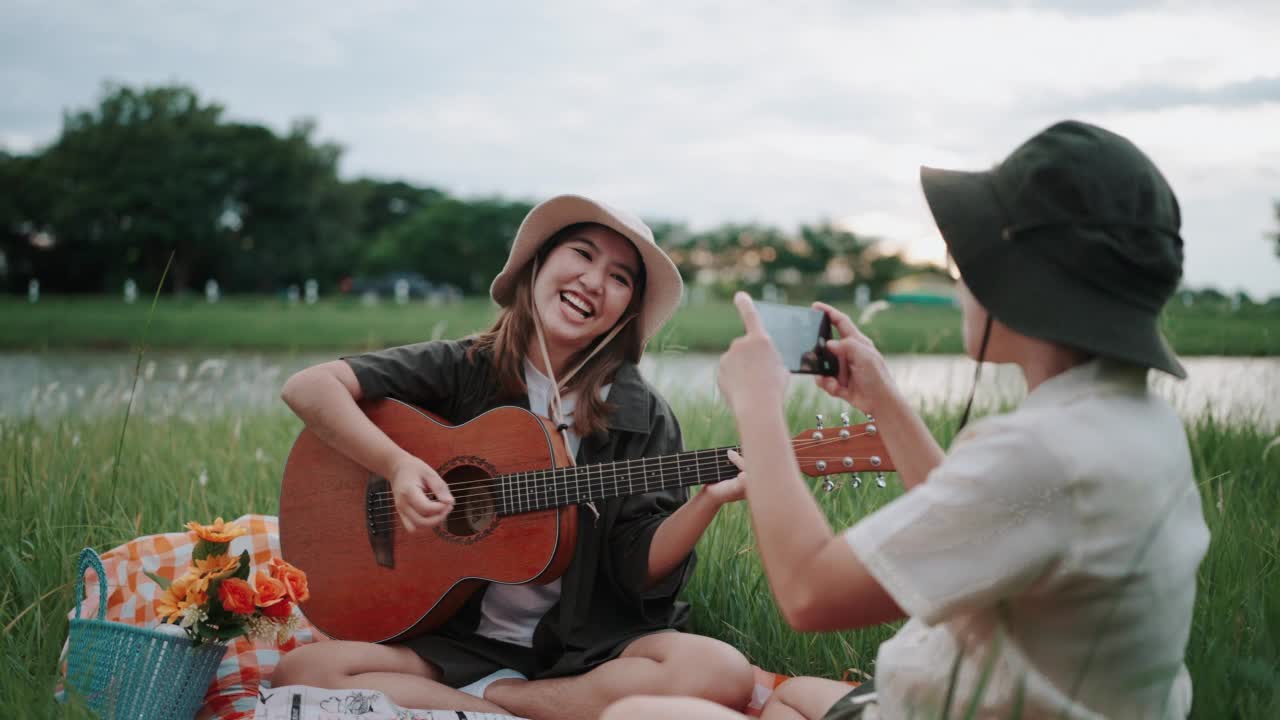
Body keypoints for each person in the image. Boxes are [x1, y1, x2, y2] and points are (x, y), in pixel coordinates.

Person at [603, 120, 1210, 720]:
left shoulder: (1047, 449)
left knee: (630, 716)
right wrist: (885, 401)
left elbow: (809, 593)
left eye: (964, 261)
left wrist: (759, 408)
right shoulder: (1138, 425)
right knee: (783, 696)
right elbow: (981, 515)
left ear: (1016, 280)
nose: (960, 281)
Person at [272, 195, 754, 720]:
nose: (593, 281)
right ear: (537, 265)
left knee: (720, 671)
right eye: (581, 254)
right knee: (304, 674)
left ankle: (499, 703)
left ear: (628, 311)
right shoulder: (463, 367)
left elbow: (639, 570)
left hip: (592, 648)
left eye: (620, 278)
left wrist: (707, 500)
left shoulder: (642, 414)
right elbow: (310, 387)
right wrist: (397, 465)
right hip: (466, 642)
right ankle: (538, 708)